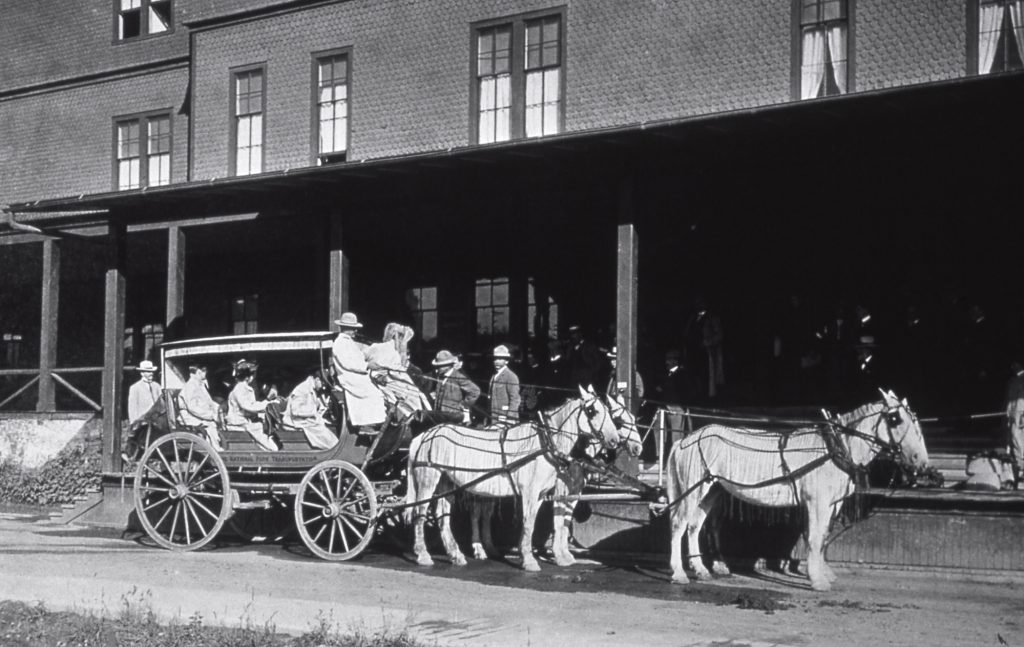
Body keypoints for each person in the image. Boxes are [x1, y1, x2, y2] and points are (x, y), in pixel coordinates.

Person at [331, 312, 387, 428]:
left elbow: (358, 358)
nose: (355, 331)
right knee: (373, 393)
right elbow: (348, 363)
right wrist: (367, 366)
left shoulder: (348, 342)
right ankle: (366, 424)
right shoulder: (340, 343)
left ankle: (379, 419)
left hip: (357, 374)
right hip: (349, 376)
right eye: (353, 329)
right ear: (345, 328)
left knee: (380, 388)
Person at [365, 322, 430, 421]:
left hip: (399, 382)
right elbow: (362, 362)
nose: (403, 342)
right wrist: (376, 373)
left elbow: (401, 367)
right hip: (384, 381)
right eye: (401, 337)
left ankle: (418, 416)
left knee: (415, 394)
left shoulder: (398, 352)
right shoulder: (377, 347)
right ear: (395, 336)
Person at [226, 361, 279, 451]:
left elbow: (252, 405)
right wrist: (267, 402)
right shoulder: (240, 389)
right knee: (258, 430)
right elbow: (248, 406)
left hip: (245, 420)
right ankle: (273, 450)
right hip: (239, 421)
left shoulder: (245, 388)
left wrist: (267, 403)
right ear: (248, 377)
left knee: (264, 423)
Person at [284, 368, 337, 450]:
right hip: (297, 421)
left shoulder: (311, 388)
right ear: (317, 379)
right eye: (323, 384)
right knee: (323, 433)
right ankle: (333, 448)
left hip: (305, 420)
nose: (324, 387)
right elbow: (295, 411)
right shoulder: (302, 389)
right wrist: (313, 411)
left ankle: (333, 447)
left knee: (326, 426)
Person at [177, 363, 222, 449]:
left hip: (199, 416)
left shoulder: (200, 385)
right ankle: (215, 450)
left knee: (216, 424)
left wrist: (218, 409)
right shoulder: (190, 385)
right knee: (210, 425)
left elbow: (208, 401)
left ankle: (216, 447)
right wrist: (211, 416)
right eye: (204, 371)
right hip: (190, 417)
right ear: (198, 372)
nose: (206, 372)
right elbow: (192, 408)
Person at [431, 350, 480, 425]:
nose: (437, 369)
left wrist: (463, 405)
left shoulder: (458, 376)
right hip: (440, 418)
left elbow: (475, 391)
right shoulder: (440, 377)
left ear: (448, 365)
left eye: (440, 366)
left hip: (453, 418)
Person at [488, 345, 520, 426]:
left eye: (500, 359)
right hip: (494, 418)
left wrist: (510, 418)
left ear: (506, 361)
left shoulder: (511, 376)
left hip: (505, 419)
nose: (497, 361)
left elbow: (515, 399)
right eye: (495, 359)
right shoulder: (494, 376)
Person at [564, 325, 602, 390]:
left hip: (587, 378)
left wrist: (592, 374)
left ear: (580, 334)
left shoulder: (589, 346)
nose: (573, 336)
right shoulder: (570, 347)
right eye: (571, 334)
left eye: (574, 334)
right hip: (574, 379)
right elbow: (568, 360)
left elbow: (597, 361)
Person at [1006, 361, 1024, 488]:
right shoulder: (1014, 380)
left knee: (1018, 439)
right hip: (1014, 415)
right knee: (1014, 439)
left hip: (1020, 415)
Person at [127, 360, 162, 426]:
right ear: (142, 373)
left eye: (152, 371)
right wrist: (135, 424)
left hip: (157, 424)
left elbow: (161, 404)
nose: (151, 373)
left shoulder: (157, 386)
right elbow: (132, 409)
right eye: (148, 371)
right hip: (142, 424)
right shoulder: (135, 388)